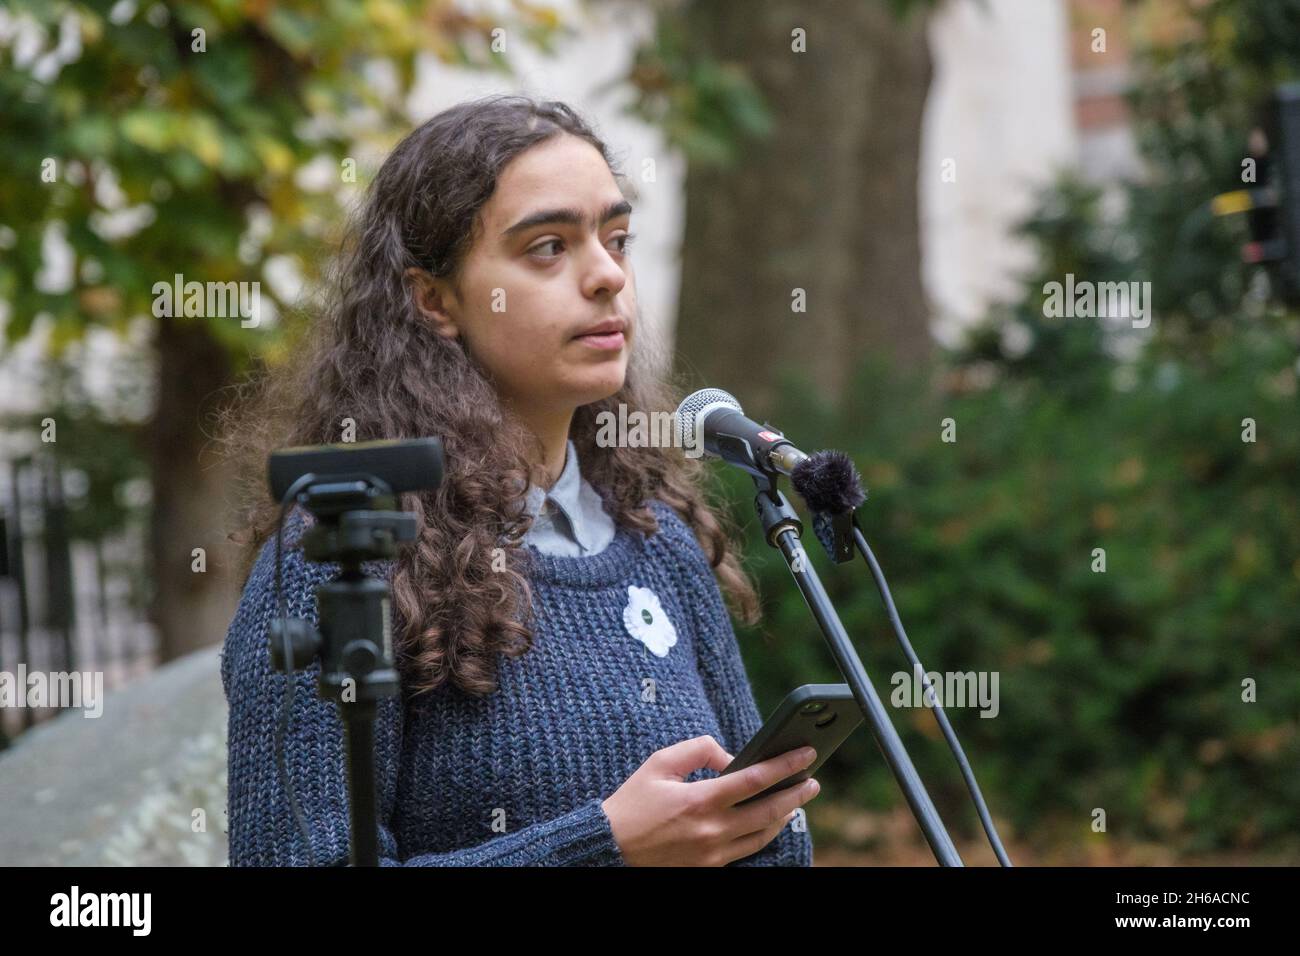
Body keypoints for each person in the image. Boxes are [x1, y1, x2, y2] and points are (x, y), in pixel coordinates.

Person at [218, 93, 820, 866]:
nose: (606, 276)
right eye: (548, 247)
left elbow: (764, 841)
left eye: (618, 239)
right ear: (433, 300)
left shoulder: (659, 538)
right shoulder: (341, 552)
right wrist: (606, 848)